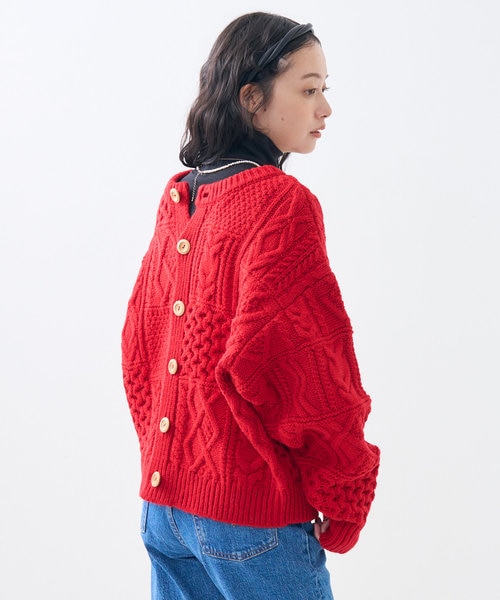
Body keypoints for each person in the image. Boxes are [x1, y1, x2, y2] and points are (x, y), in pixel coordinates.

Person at [122, 11, 380, 600]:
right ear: (252, 99)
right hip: (248, 519)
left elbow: (140, 351)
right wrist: (345, 488)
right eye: (308, 90)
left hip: (164, 511)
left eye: (325, 90)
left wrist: (173, 453)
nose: (325, 108)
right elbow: (307, 370)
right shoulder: (281, 205)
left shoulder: (182, 197)